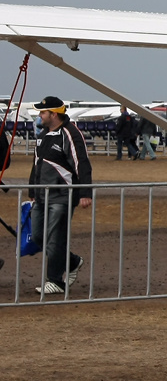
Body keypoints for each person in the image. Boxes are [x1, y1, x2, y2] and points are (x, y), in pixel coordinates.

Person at [28, 95, 92, 294]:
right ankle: (73, 262)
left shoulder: (70, 133)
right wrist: (33, 189)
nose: (40, 115)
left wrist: (84, 192)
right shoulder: (42, 135)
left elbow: (81, 162)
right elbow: (37, 163)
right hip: (41, 195)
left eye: (43, 112)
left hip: (62, 196)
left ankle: (55, 280)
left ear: (54, 114)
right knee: (38, 236)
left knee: (55, 238)